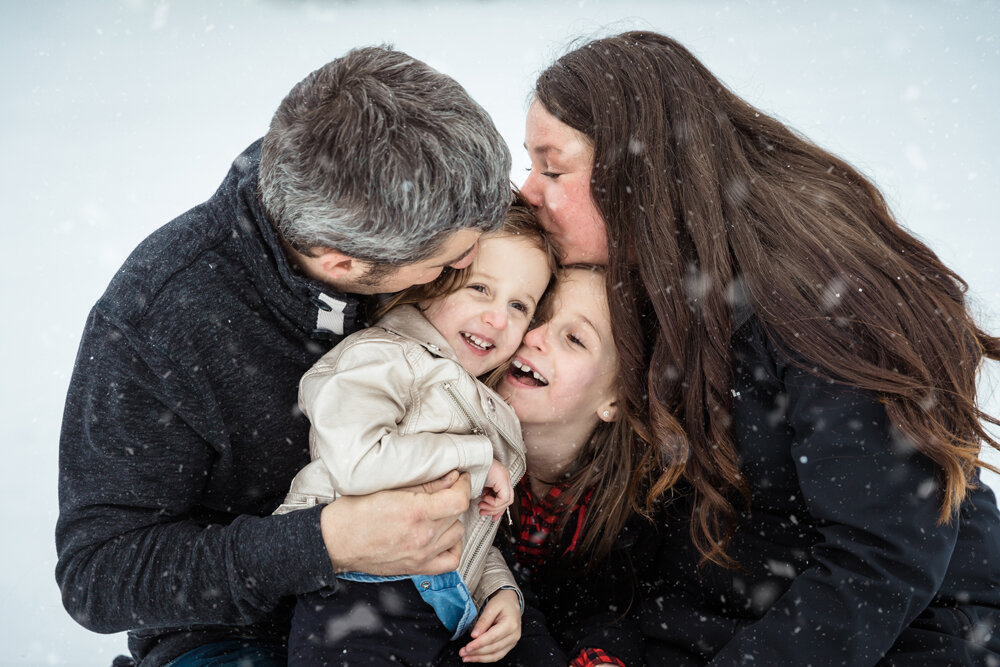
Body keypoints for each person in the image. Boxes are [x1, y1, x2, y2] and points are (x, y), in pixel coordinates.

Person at [520, 30, 1000, 666]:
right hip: (738, 613)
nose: (528, 189)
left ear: (639, 170)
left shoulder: (818, 302)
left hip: (913, 633)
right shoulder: (646, 280)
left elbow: (882, 555)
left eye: (552, 169)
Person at [56, 45, 513, 667]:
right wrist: (323, 543)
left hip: (437, 594)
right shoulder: (158, 321)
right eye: (443, 263)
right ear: (343, 265)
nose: (465, 269)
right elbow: (99, 577)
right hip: (234, 634)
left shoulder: (411, 210)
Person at [274, 198, 556, 665]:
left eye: (519, 305)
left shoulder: (477, 402)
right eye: (481, 288)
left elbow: (466, 526)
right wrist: (476, 457)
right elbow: (358, 464)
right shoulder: (381, 357)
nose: (498, 317)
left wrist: (499, 591)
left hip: (440, 609)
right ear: (431, 282)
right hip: (355, 595)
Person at [468, 266, 663, 667]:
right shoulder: (460, 449)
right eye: (536, 315)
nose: (534, 336)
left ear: (615, 398)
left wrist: (604, 658)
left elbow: (608, 609)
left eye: (574, 338)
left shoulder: (631, 502)